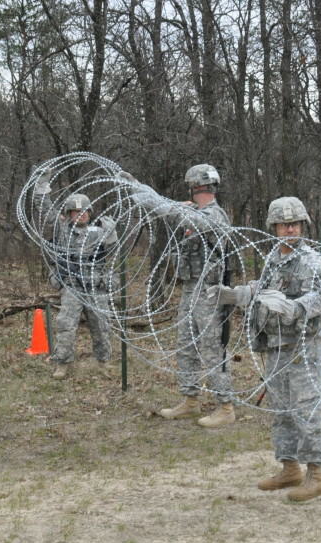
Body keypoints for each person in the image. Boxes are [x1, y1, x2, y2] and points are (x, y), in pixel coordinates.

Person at [209, 197, 321, 502]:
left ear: (303, 225)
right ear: (274, 227)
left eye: (294, 224)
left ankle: (316, 474)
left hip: (303, 348)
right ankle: (289, 468)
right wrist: (235, 295)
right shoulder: (273, 258)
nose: (289, 229)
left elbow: (320, 297)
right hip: (276, 348)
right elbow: (261, 289)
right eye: (283, 224)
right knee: (282, 411)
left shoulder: (314, 261)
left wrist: (294, 308)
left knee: (307, 410)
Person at [118, 165, 236, 427]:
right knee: (186, 344)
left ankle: (225, 405)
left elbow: (169, 210)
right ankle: (190, 400)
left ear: (193, 186)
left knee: (211, 347)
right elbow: (166, 206)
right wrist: (138, 186)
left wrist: (146, 196)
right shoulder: (191, 210)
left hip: (209, 290)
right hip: (191, 288)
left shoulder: (214, 215)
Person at [46, 192, 118, 379]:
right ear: (69, 214)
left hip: (95, 286)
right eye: (76, 211)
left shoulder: (100, 231)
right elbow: (45, 209)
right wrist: (42, 187)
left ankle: (104, 362)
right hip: (72, 286)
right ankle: (62, 364)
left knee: (101, 326)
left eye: (85, 210)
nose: (81, 214)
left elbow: (114, 252)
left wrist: (112, 234)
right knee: (66, 326)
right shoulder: (62, 230)